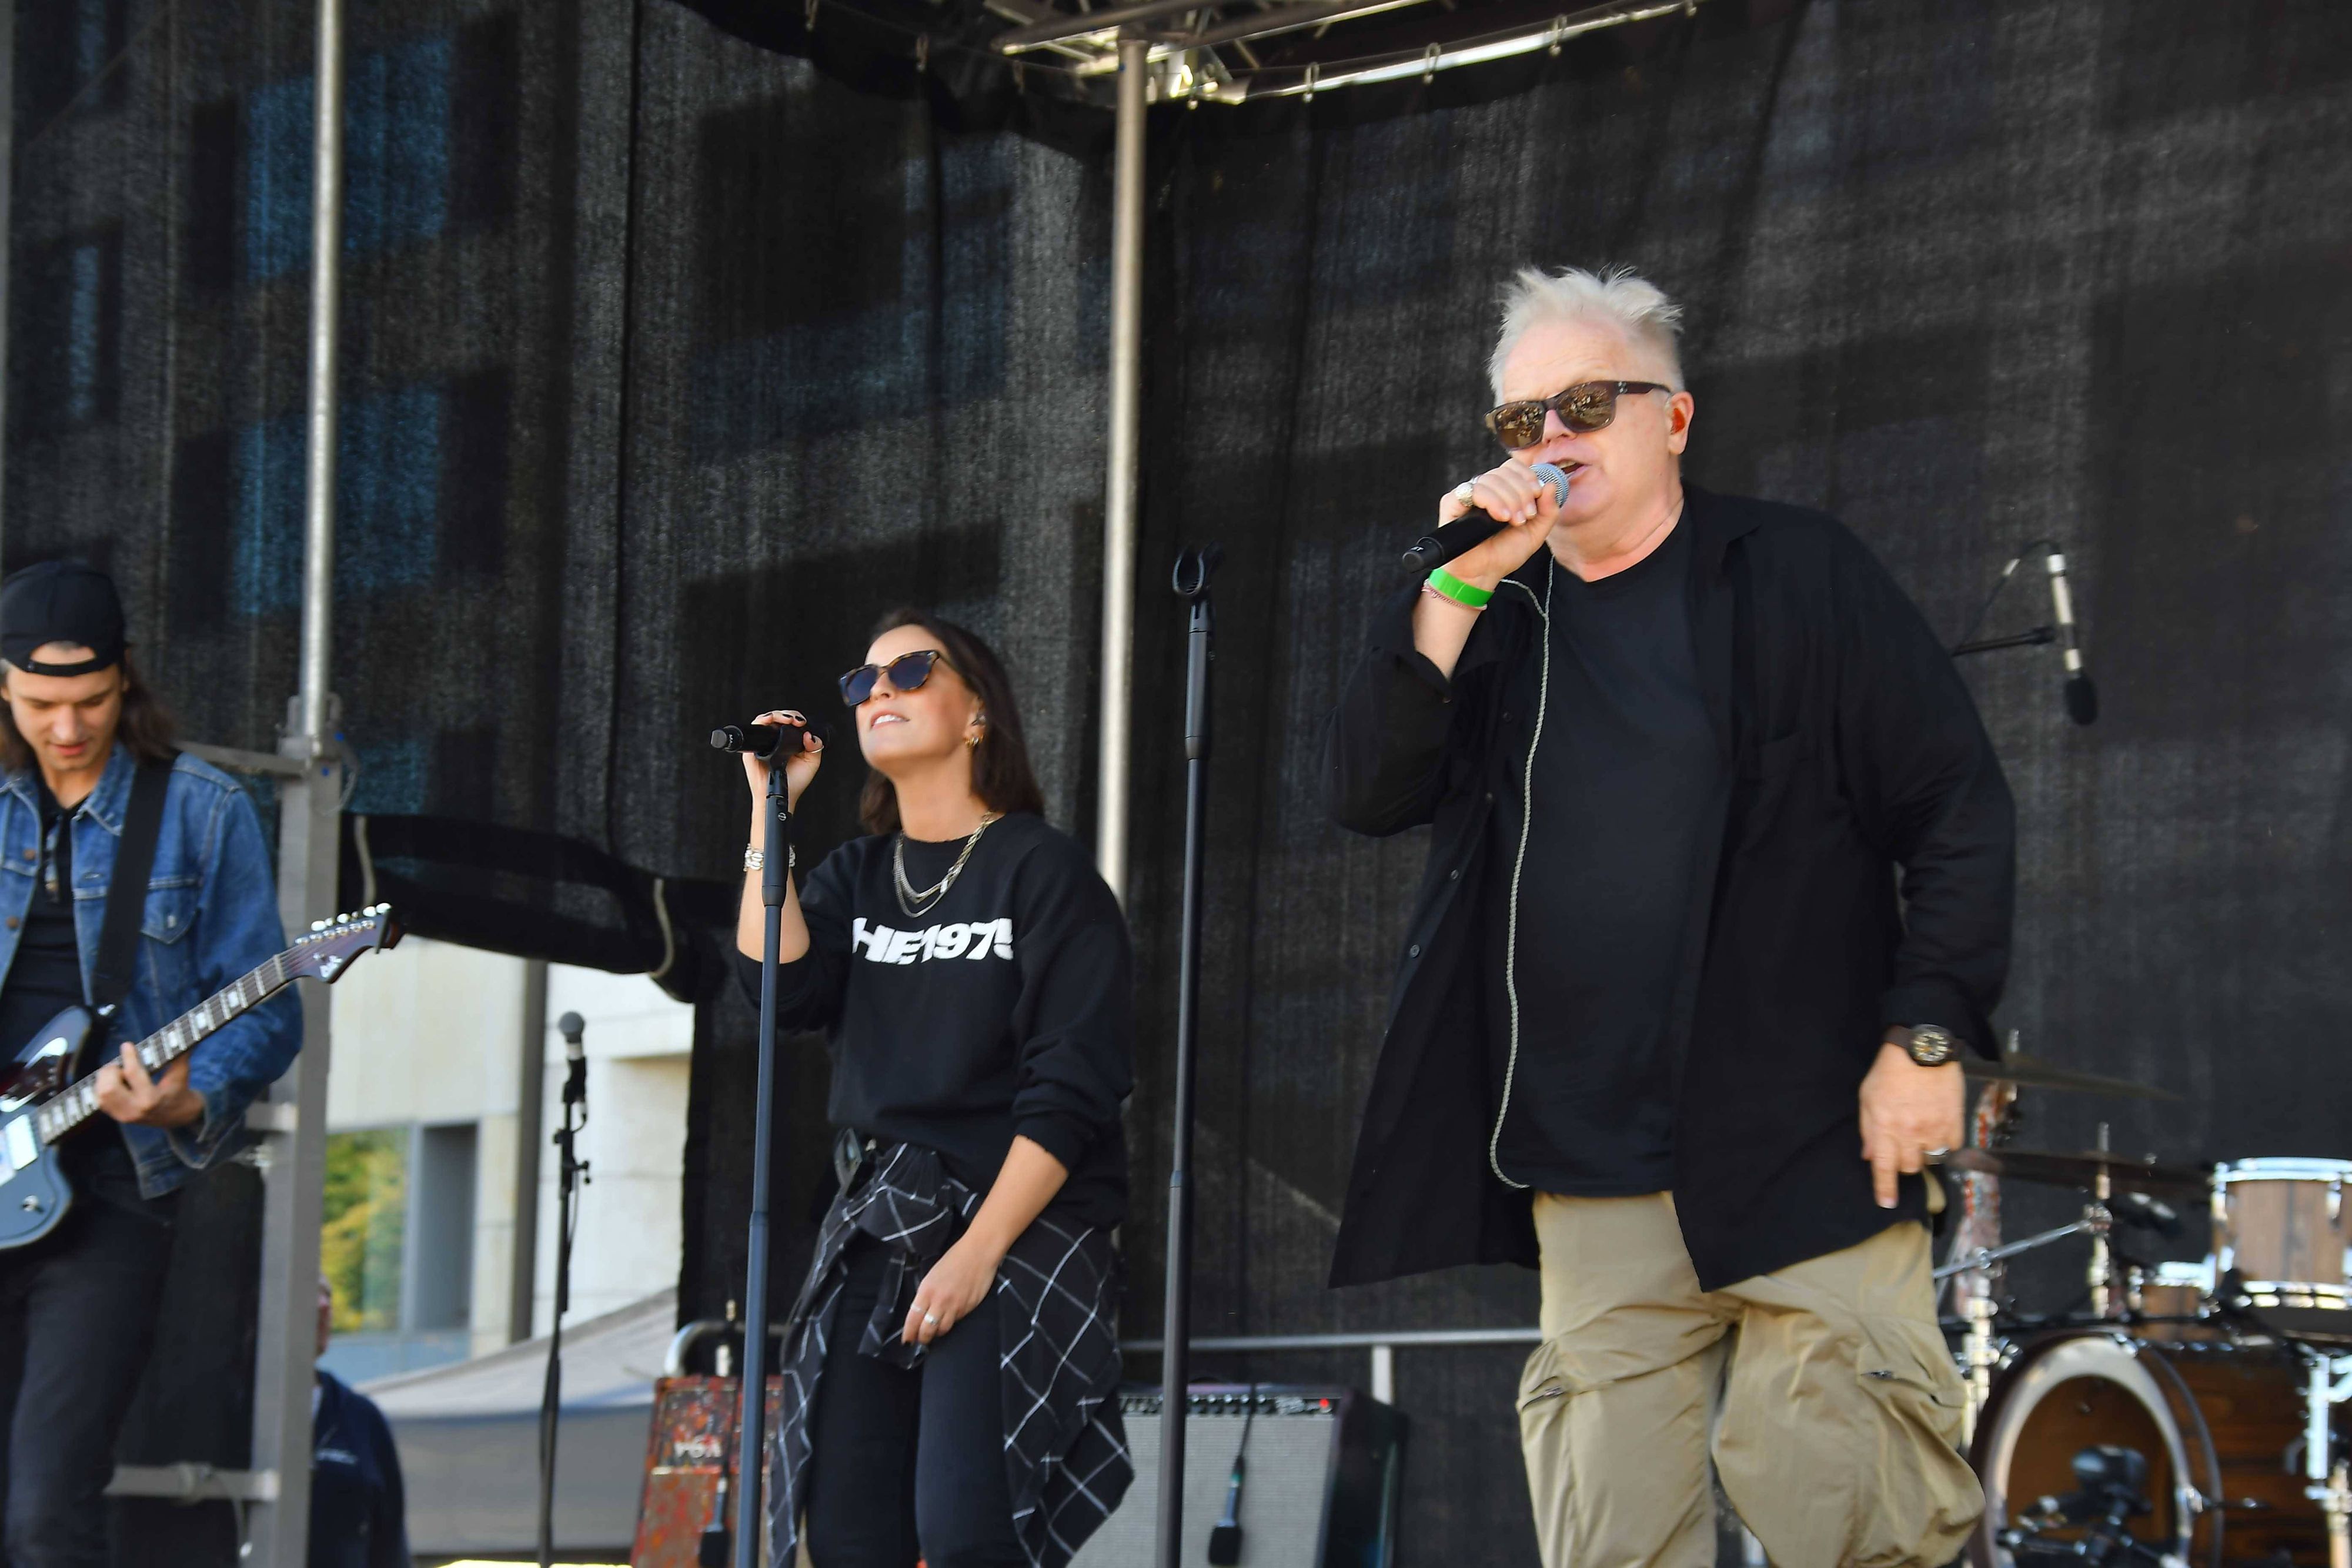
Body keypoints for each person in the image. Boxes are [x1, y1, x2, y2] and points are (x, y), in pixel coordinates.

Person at [1323, 267, 2014, 1568]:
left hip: (1806, 1140)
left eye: (1583, 403)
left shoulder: (1796, 573)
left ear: (1673, 418)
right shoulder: (1495, 615)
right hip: (1592, 1166)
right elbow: (1364, 788)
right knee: (1611, 1540)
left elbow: (1956, 807)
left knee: (1854, 1514)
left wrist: (1924, 1034)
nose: (1550, 442)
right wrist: (1456, 585)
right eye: (1519, 421)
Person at [731, 609, 1134, 1568]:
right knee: (846, 1530)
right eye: (861, 680)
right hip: (881, 1219)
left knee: (967, 1529)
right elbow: (773, 984)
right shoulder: (855, 874)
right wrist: (770, 808)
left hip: (1015, 1221)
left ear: (978, 713)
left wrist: (979, 1250)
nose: (879, 691)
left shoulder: (1042, 868)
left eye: (910, 670)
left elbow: (1074, 1084)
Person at [0, 560, 301, 1568]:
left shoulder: (202, 810)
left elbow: (271, 1004)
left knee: (46, 1512)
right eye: (43, 703)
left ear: (125, 678)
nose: (68, 728)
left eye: (90, 700)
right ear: (3, 686)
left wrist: (192, 1097)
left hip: (110, 1196)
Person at [309, 1280, 409, 1568]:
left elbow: (390, 1546)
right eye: (310, 1291)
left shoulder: (361, 1418)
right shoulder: (232, 1408)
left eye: (328, 1294)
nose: (324, 1306)